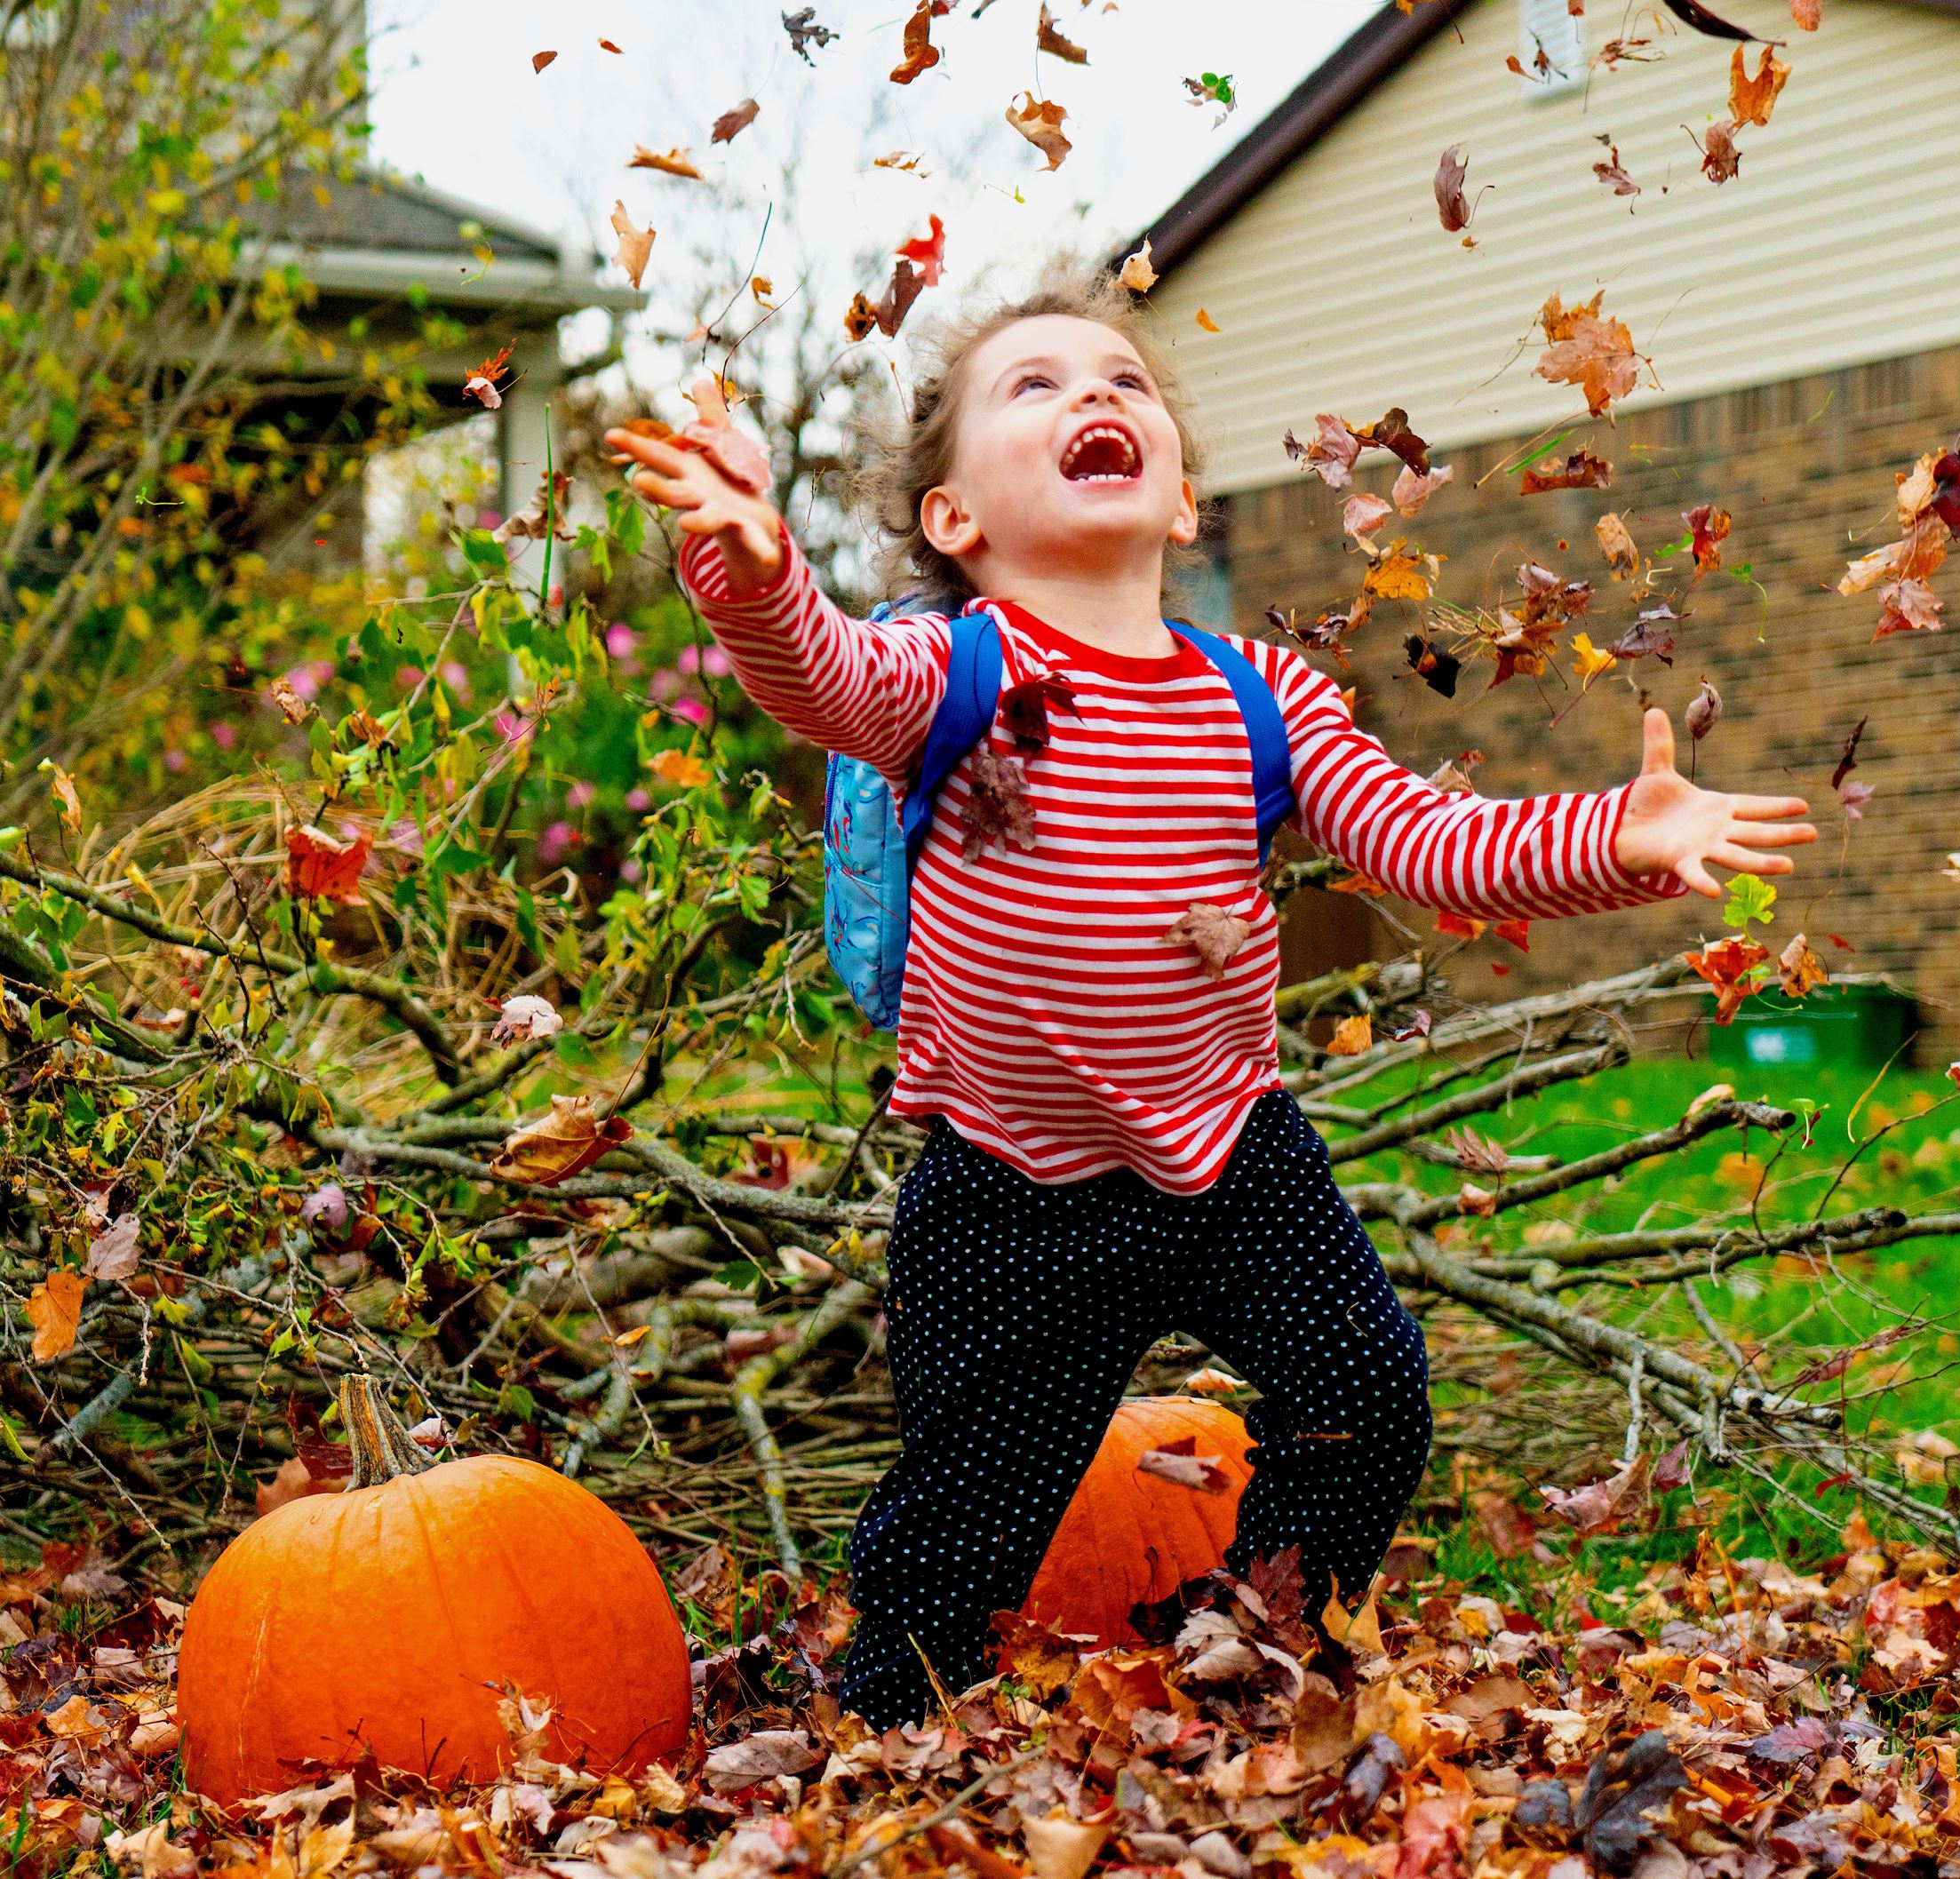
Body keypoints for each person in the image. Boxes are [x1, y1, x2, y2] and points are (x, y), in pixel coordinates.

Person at [604, 272, 1814, 1730]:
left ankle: (1247, 1655)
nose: (1094, 398)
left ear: (1181, 503)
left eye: (1123, 382)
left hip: (1229, 1160)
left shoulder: (1262, 697)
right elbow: (821, 678)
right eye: (1035, 387)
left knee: (1368, 1400)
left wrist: (1616, 837)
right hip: (1007, 1191)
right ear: (954, 520)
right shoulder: (953, 672)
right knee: (955, 1537)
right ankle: (888, 1750)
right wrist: (748, 562)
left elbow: (1420, 846)